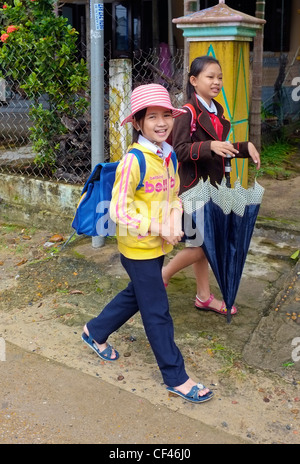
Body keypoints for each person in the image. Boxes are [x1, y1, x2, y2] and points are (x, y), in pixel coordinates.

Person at [82, 83, 214, 404]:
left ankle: (94, 331)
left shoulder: (167, 154)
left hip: (157, 246)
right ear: (138, 123)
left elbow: (174, 196)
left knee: (137, 296)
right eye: (151, 116)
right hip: (138, 249)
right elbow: (117, 209)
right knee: (157, 311)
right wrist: (158, 225)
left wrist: (173, 219)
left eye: (166, 115)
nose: (161, 122)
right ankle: (176, 377)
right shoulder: (134, 160)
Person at [162, 56, 261, 316]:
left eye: (219, 77)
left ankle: (203, 297)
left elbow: (220, 148)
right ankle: (163, 275)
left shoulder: (216, 111)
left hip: (213, 189)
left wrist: (244, 147)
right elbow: (180, 151)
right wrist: (209, 146)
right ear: (194, 81)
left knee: (201, 246)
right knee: (204, 245)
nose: (216, 82)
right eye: (210, 77)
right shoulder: (186, 112)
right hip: (193, 190)